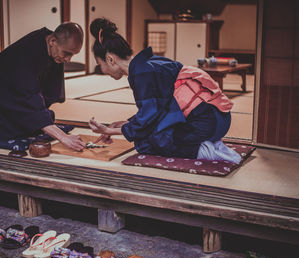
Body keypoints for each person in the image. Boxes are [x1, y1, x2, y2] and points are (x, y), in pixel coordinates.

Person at [88, 18, 240, 163]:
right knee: (147, 134)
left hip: (206, 123)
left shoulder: (141, 74)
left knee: (148, 143)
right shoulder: (149, 62)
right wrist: (125, 124)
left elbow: (150, 117)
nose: (102, 70)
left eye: (99, 63)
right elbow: (157, 110)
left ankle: (206, 151)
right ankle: (208, 142)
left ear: (110, 59)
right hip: (220, 118)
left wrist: (109, 131)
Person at [0, 22, 86, 151]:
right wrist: (62, 137)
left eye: (72, 55)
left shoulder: (52, 46)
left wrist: (43, 117)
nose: (68, 60)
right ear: (52, 41)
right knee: (10, 129)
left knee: (39, 121)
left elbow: (48, 89)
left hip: (11, 93)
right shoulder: (28, 52)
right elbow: (27, 95)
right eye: (66, 53)